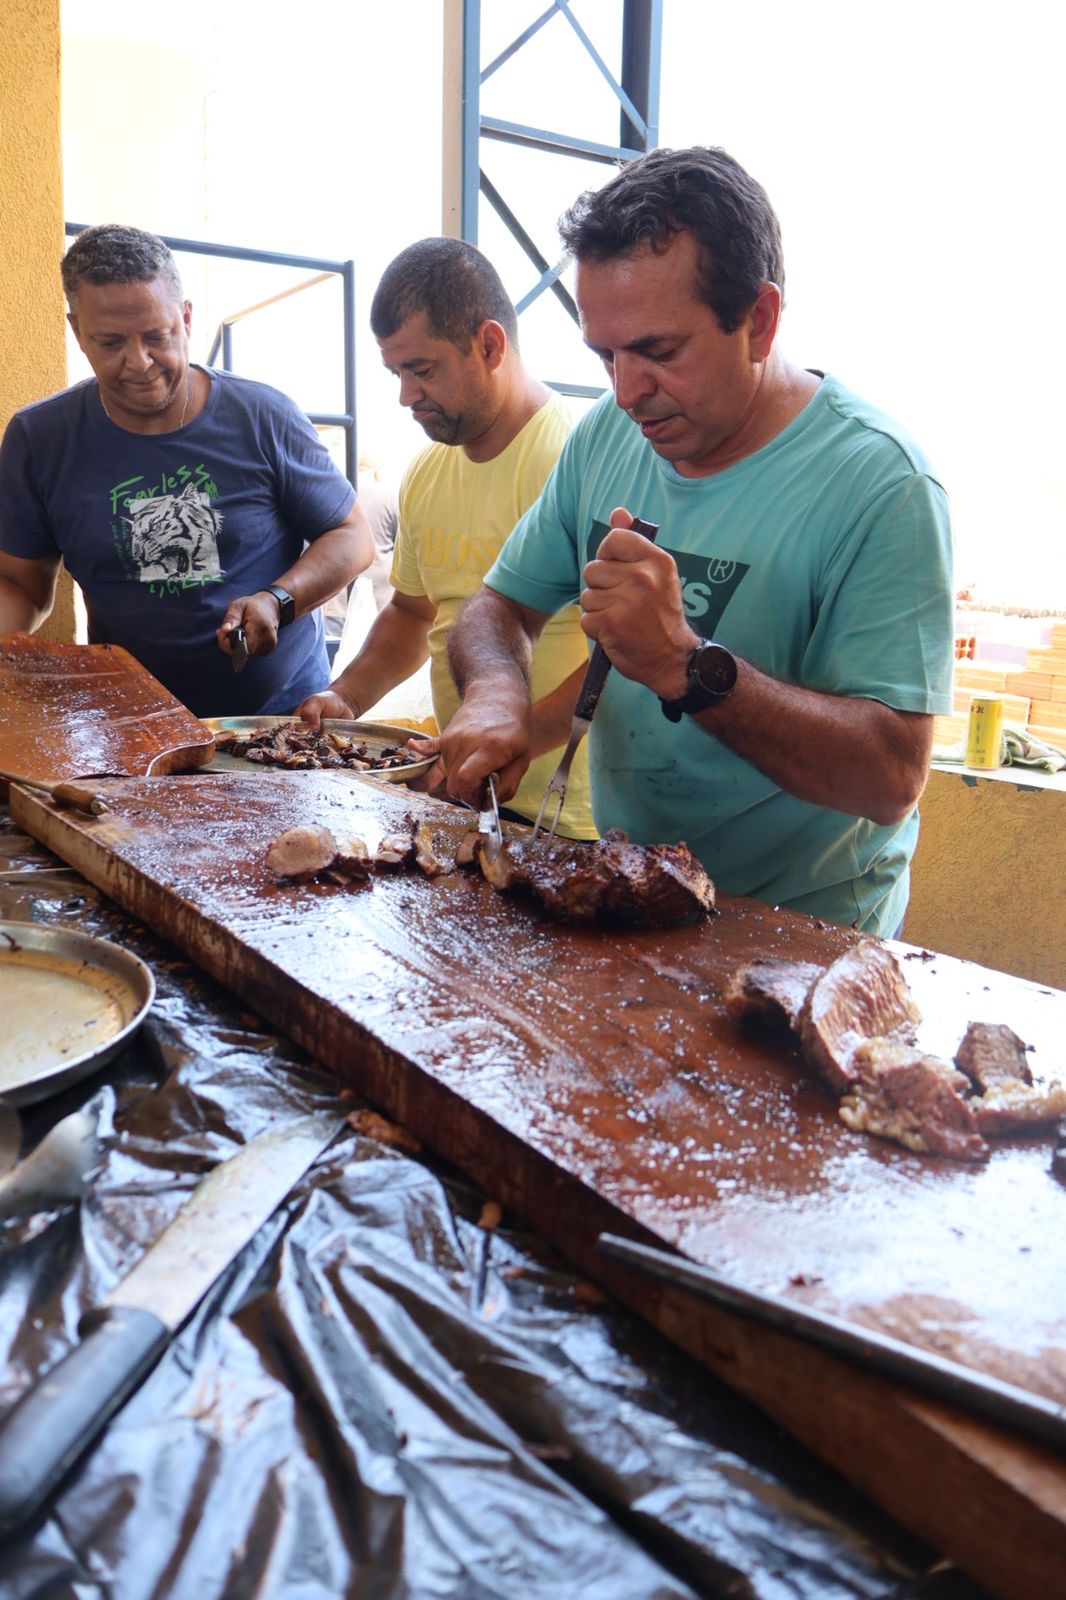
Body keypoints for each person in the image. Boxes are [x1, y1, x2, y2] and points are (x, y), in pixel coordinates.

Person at [437, 147, 954, 935]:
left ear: (760, 320)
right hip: (626, 894)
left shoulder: (880, 484)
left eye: (658, 351)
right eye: (604, 355)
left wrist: (687, 667)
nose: (626, 391)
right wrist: (499, 696)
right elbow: (500, 606)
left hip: (803, 937)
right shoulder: (607, 436)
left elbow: (890, 775)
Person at [0, 224, 373, 717]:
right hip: (130, 727)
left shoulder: (263, 415)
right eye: (110, 343)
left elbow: (352, 536)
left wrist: (278, 600)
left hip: (278, 721)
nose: (139, 362)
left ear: (187, 317)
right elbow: (23, 586)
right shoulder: (39, 437)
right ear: (76, 331)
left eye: (157, 336)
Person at [297, 237, 597, 839]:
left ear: (489, 345)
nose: (405, 395)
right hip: (463, 796)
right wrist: (346, 699)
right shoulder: (429, 471)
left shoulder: (578, 459)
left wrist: (509, 742)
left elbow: (624, 660)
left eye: (421, 369)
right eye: (395, 372)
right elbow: (411, 616)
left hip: (569, 816)